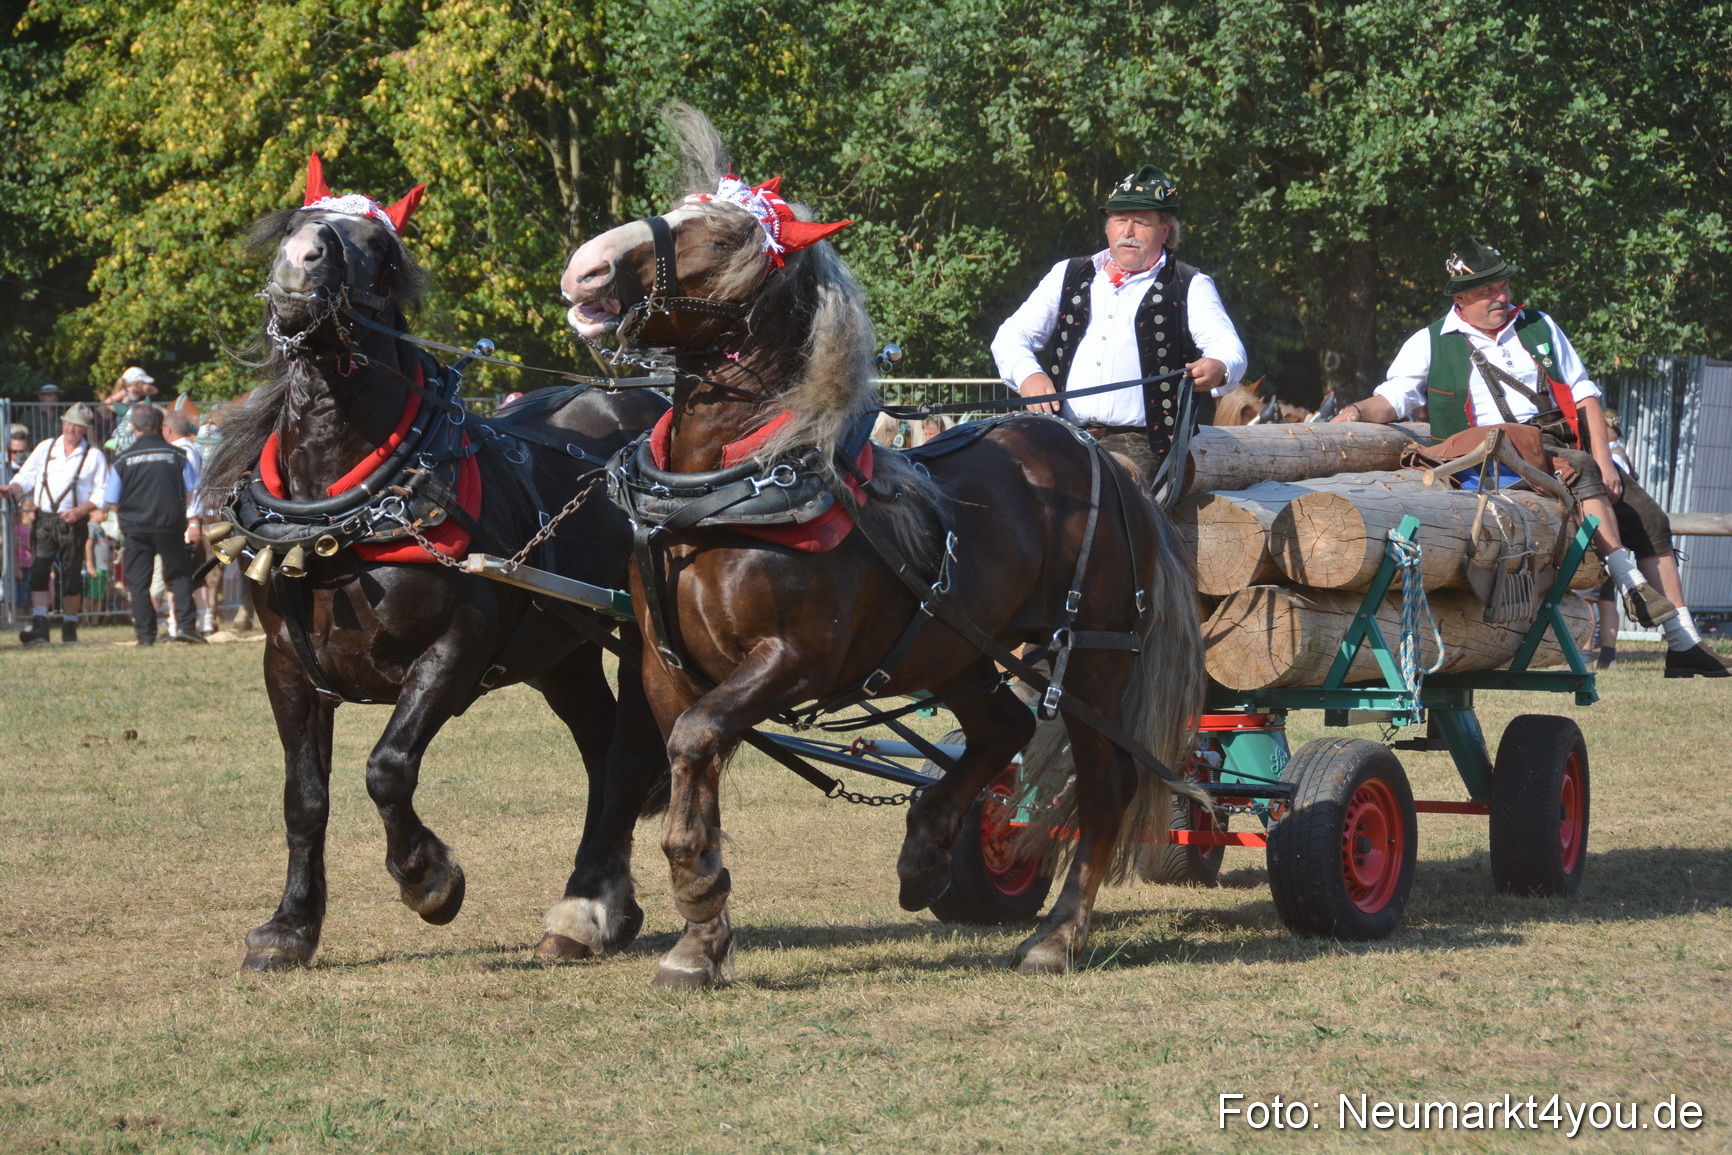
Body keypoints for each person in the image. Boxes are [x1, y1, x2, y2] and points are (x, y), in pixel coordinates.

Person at [1334, 236, 1728, 676]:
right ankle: (1628, 580)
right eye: (1487, 290)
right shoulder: (1430, 342)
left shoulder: (1539, 324)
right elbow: (1391, 399)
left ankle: (1684, 643)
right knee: (1580, 470)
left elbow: (1584, 395)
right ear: (1460, 298)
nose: (1500, 296)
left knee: (1650, 517)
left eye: (1502, 286)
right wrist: (1353, 411)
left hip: (1560, 444)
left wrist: (1604, 457)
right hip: (1491, 456)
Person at [992, 165, 1247, 487]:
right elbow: (1011, 336)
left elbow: (1229, 348)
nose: (1128, 230)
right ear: (1108, 227)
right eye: (1119, 219)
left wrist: (1219, 366)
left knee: (1102, 489)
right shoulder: (1068, 274)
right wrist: (1029, 375)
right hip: (1058, 433)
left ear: (1165, 231)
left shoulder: (1189, 284)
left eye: (1141, 222)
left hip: (1142, 445)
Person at [2, 402, 110, 644]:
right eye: (69, 423)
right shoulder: (46, 447)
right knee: (39, 571)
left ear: (85, 429)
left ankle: (70, 626)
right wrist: (13, 488)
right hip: (44, 519)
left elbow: (103, 490)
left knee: (72, 576)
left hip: (74, 521)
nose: (72, 429)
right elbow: (27, 475)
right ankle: (41, 625)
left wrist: (82, 510)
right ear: (63, 423)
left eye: (78, 426)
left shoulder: (93, 455)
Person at [103, 403, 205, 646]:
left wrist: (130, 515)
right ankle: (187, 628)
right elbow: (192, 490)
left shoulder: (123, 459)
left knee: (139, 582)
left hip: (136, 528)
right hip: (170, 525)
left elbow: (111, 499)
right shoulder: (177, 456)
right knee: (178, 576)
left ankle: (145, 636)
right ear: (160, 426)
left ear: (133, 426)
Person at [100, 367, 159, 453]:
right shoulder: (125, 392)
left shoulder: (141, 393)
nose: (144, 385)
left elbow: (155, 391)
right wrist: (121, 412)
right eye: (142, 383)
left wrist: (147, 387)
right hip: (124, 424)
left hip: (137, 423)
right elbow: (107, 402)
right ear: (135, 383)